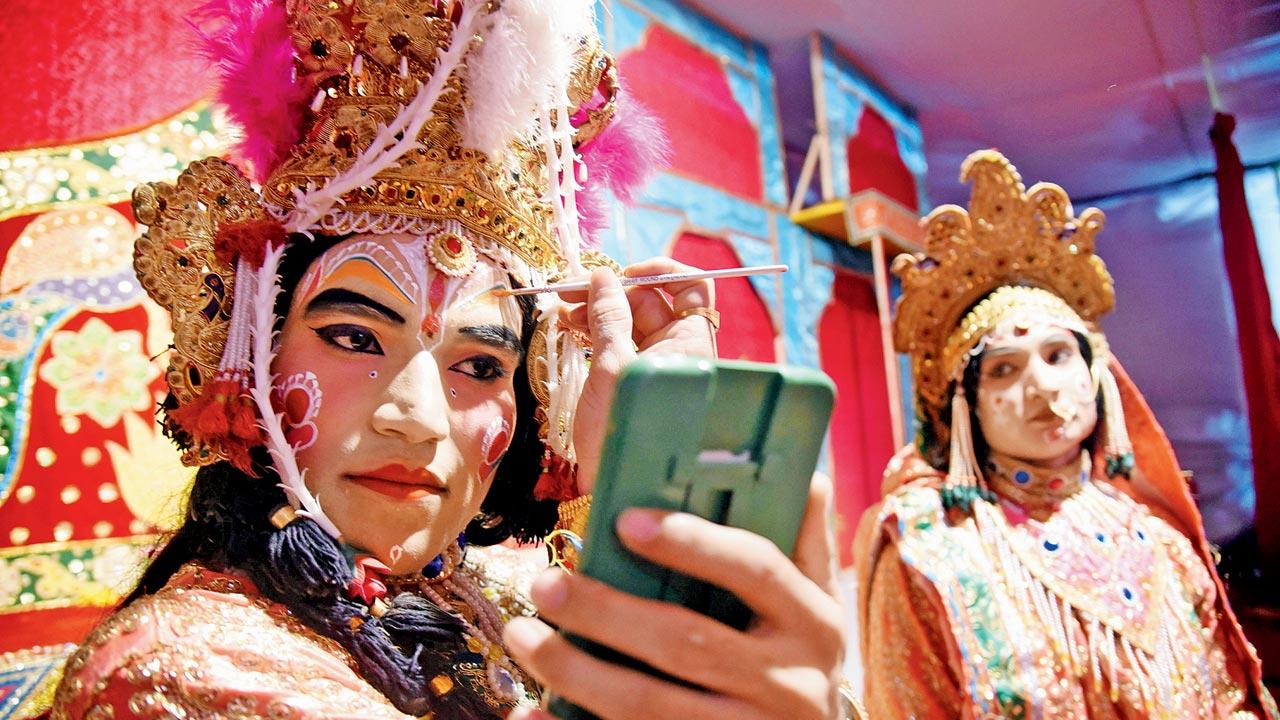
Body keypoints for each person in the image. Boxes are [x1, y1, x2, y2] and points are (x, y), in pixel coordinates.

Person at [49, 2, 851, 719]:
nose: (418, 415)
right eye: (356, 338)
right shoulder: (178, 673)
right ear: (246, 353)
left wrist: (641, 489)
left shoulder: (503, 613)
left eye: (477, 366)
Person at [854, 149, 1278, 719]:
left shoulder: (1163, 545)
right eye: (1004, 368)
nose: (1043, 388)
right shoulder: (927, 550)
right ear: (965, 407)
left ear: (1096, 373)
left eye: (1058, 355)